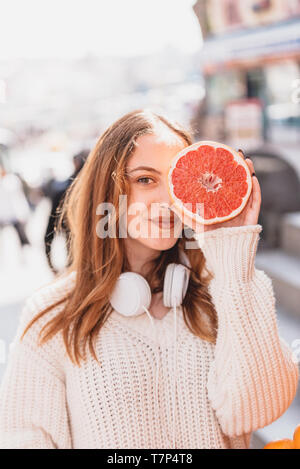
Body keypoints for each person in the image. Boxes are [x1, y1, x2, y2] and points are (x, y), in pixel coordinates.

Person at [0, 109, 298, 449]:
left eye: (177, 180)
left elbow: (257, 412)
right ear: (108, 191)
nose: (168, 200)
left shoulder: (223, 293)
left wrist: (233, 260)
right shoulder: (51, 317)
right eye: (145, 179)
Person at [43, 149, 89, 273]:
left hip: (75, 267)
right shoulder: (104, 191)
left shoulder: (63, 190)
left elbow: (49, 232)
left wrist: (51, 265)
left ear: (76, 163)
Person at [0, 164, 31, 257]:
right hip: (3, 214)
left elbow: (17, 198)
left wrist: (21, 213)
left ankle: (24, 253)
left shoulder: (11, 181)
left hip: (15, 214)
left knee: (21, 235)